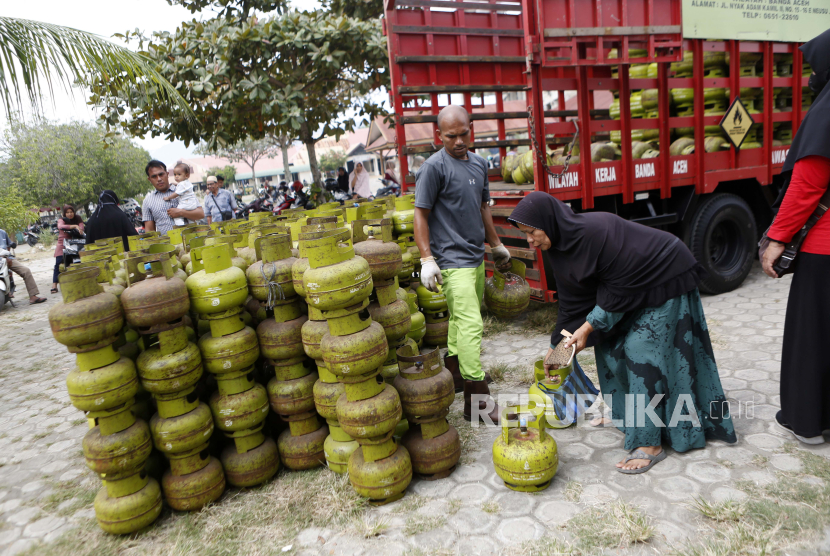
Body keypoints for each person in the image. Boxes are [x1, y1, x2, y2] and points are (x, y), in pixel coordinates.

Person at [507, 192, 736, 473]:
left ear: (550, 222)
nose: (529, 241)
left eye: (532, 233)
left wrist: (588, 327)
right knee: (611, 347)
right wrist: (558, 347)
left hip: (664, 276)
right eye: (525, 235)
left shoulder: (596, 232)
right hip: (625, 290)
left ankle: (649, 443)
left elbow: (617, 293)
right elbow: (572, 301)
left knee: (640, 351)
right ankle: (631, 415)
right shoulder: (557, 248)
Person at [414, 105, 512, 424]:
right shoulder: (433, 168)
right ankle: (478, 400)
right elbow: (421, 214)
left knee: (460, 320)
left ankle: (455, 375)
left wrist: (496, 245)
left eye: (464, 134)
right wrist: (426, 258)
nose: (459, 141)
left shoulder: (480, 164)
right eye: (451, 136)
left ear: (471, 127)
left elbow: (483, 207)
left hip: (475, 257)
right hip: (450, 260)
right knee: (471, 326)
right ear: (438, 135)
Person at [760, 30, 830, 445]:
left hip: (824, 249)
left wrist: (777, 239)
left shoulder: (826, 112)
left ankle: (807, 421)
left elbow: (808, 184)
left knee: (812, 335)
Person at [142, 160, 205, 234]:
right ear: (149, 179)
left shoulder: (184, 190)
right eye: (154, 176)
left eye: (161, 174)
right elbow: (149, 230)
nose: (159, 179)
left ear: (167, 174)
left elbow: (201, 214)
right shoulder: (148, 201)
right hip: (166, 244)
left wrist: (181, 212)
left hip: (189, 241)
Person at [0, 227, 46, 304]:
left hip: (6, 258)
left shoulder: (2, 232)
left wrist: (6, 256)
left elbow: (8, 245)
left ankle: (33, 296)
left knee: (26, 271)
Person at [52, 205, 85, 293]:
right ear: (65, 213)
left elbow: (81, 227)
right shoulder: (61, 220)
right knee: (58, 263)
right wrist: (74, 226)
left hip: (75, 243)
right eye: (68, 212)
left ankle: (76, 282)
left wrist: (79, 228)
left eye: (71, 212)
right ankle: (54, 284)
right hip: (62, 243)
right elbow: (60, 226)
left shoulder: (78, 218)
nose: (70, 214)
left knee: (76, 262)